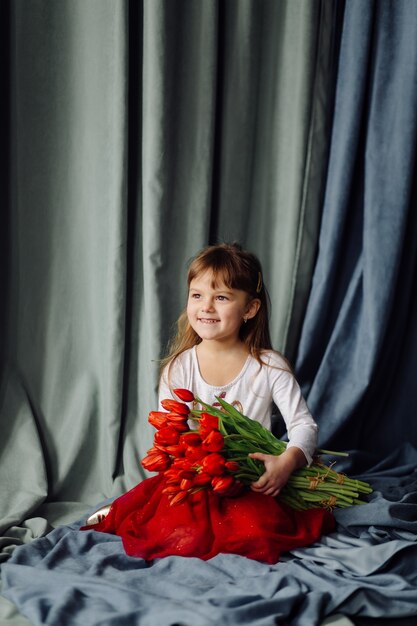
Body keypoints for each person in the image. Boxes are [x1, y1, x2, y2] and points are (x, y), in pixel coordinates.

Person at [83, 243, 334, 563]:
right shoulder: (180, 367)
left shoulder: (269, 367)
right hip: (199, 477)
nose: (206, 307)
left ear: (250, 309)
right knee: (173, 525)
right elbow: (170, 435)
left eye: (222, 297)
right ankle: (122, 510)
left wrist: (287, 462)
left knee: (255, 532)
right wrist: (196, 463)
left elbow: (303, 425)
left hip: (249, 480)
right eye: (197, 295)